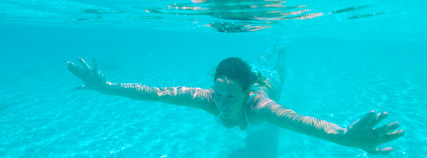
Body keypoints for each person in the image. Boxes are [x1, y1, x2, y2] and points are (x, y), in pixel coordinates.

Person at [67, 48, 404, 155]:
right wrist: (106, 86)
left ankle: (280, 53)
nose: (222, 103)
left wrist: (345, 136)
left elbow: (301, 122)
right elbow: (155, 93)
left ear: (246, 94)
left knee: (278, 71)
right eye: (218, 94)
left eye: (231, 97)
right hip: (247, 73)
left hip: (266, 78)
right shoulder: (210, 99)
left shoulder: (260, 106)